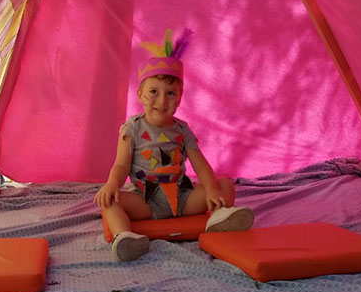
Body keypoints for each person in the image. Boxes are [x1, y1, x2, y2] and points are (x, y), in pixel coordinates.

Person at [94, 30, 254, 261]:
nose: (162, 101)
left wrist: (211, 190)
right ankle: (125, 237)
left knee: (224, 185)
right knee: (109, 200)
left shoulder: (182, 130)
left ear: (179, 98)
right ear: (140, 94)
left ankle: (219, 218)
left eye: (170, 94)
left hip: (182, 199)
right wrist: (111, 184)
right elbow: (121, 165)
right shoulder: (132, 128)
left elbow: (200, 165)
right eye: (153, 92)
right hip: (145, 202)